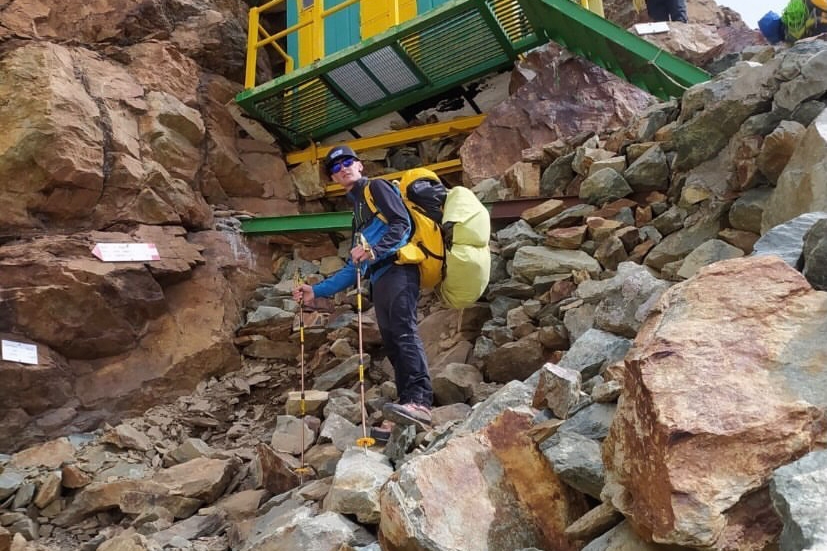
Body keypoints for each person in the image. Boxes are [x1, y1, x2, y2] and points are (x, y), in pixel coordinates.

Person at [292, 145, 433, 436]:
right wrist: (315, 291)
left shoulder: (376, 188)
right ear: (333, 177)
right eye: (335, 167)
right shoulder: (357, 214)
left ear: (360, 165)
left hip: (399, 269)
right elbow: (351, 268)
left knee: (404, 332)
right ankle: (406, 407)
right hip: (380, 278)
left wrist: (373, 250)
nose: (342, 168)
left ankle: (420, 401)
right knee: (392, 341)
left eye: (347, 162)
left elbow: (401, 224)